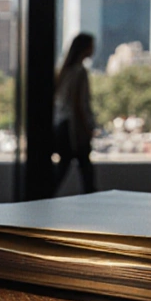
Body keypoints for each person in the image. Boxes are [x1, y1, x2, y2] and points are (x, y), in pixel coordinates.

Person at [53, 32, 97, 194]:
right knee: (85, 168)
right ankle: (91, 198)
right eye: (92, 46)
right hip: (73, 128)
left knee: (65, 166)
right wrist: (86, 128)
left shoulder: (64, 72)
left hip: (62, 126)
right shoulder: (80, 72)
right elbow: (79, 105)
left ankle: (45, 195)